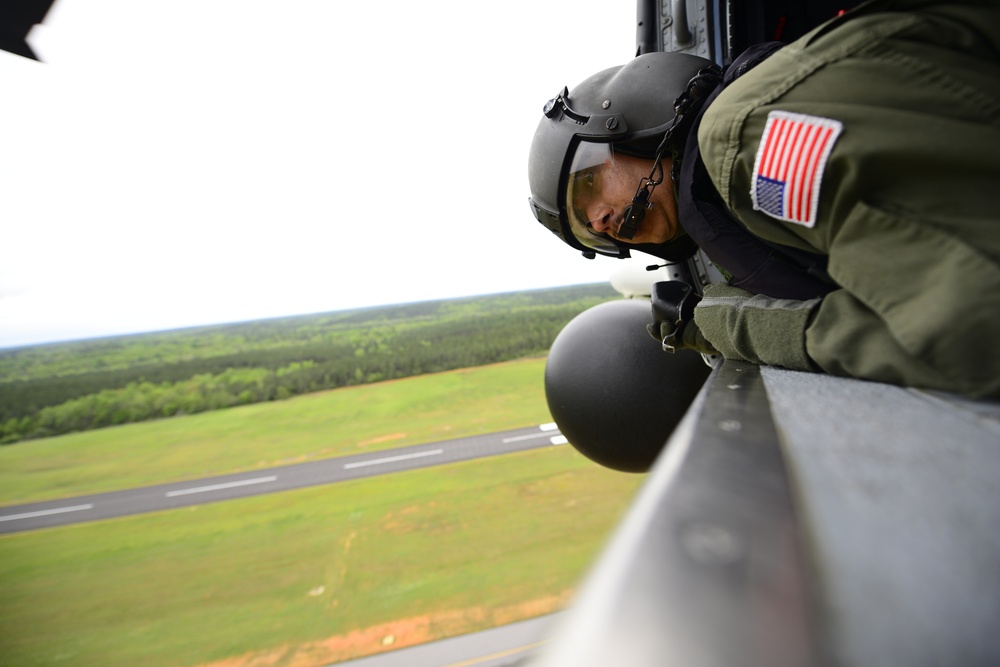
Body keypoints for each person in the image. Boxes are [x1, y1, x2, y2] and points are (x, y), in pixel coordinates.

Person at [527, 0, 1000, 399]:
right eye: (589, 226)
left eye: (589, 186)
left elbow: (970, 336)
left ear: (629, 120)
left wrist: (735, 323)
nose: (602, 218)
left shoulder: (739, 140)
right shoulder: (739, 152)